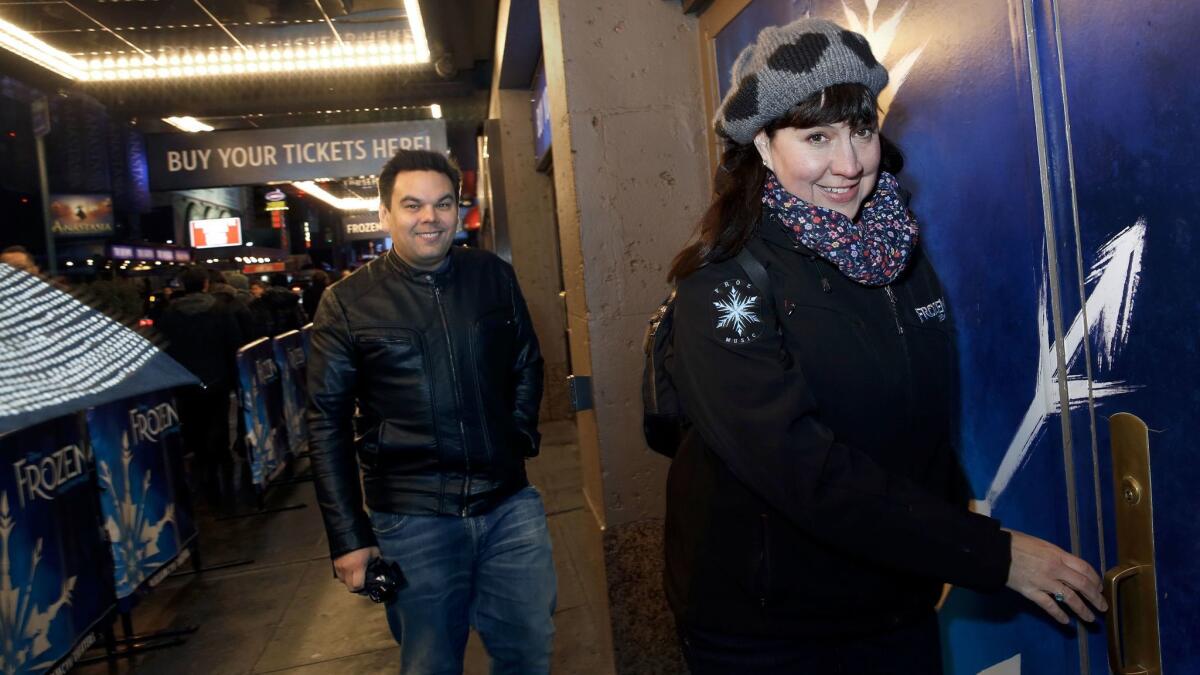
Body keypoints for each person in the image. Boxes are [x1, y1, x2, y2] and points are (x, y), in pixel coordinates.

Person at [662, 18, 1107, 674]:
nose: (849, 164)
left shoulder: (892, 248)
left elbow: (917, 410)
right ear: (762, 143)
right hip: (769, 631)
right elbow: (802, 470)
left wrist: (943, 523)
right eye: (816, 136)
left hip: (893, 602)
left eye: (861, 129)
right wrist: (986, 552)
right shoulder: (723, 281)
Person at [307, 149, 554, 674]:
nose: (429, 217)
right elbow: (324, 424)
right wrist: (350, 538)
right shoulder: (347, 303)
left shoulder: (492, 275)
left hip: (509, 507)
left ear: (457, 211)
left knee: (528, 652)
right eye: (413, 205)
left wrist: (517, 440)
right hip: (413, 519)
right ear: (385, 214)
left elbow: (527, 363)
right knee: (431, 664)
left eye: (443, 204)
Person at [156, 266, 243, 499]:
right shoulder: (220, 310)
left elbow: (163, 348)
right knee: (218, 420)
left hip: (185, 381)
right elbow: (233, 344)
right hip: (217, 378)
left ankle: (202, 463)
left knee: (193, 423)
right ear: (205, 284)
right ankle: (220, 461)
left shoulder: (170, 314)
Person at [248, 272, 306, 339]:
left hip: (270, 340)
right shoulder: (292, 299)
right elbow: (301, 319)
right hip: (293, 338)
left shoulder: (260, 301)